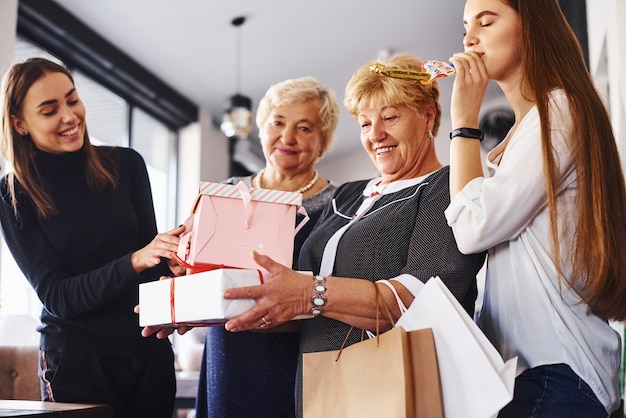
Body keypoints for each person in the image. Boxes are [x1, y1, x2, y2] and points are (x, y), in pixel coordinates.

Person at [221, 53, 487, 417]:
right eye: (364, 124)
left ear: (428, 115)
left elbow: (417, 300)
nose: (375, 134)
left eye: (389, 118)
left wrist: (308, 292)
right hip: (320, 387)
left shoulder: (445, 187)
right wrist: (216, 307)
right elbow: (298, 307)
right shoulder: (347, 195)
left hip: (393, 390)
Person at [445, 0, 626, 416]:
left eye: (486, 22)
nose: (470, 38)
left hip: (554, 372)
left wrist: (463, 121)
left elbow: (472, 227)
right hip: (527, 374)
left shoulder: (560, 110)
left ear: (532, 27)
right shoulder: (525, 132)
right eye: (465, 27)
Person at [0, 57, 186, 418]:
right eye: (50, 110)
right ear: (20, 124)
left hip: (148, 352)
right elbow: (58, 296)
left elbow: (151, 267)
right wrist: (136, 259)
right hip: (74, 360)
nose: (70, 116)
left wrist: (174, 269)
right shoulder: (13, 195)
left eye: (72, 99)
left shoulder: (128, 165)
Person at [193, 76, 341, 418]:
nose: (287, 137)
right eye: (277, 122)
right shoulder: (226, 193)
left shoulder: (338, 205)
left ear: (323, 141)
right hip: (229, 353)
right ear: (261, 128)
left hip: (300, 359)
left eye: (304, 128)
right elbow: (199, 271)